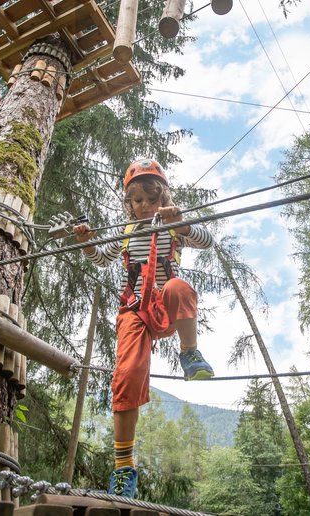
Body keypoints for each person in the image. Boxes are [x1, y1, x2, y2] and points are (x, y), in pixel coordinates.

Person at [73, 158, 215, 498]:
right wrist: (87, 242)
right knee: (128, 373)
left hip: (163, 303)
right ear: (129, 203)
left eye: (151, 199)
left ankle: (190, 353)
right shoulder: (124, 233)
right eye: (137, 200)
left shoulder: (171, 224)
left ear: (162, 199)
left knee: (179, 287)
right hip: (134, 311)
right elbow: (101, 258)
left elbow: (206, 240)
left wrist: (179, 224)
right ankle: (124, 467)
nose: (144, 206)